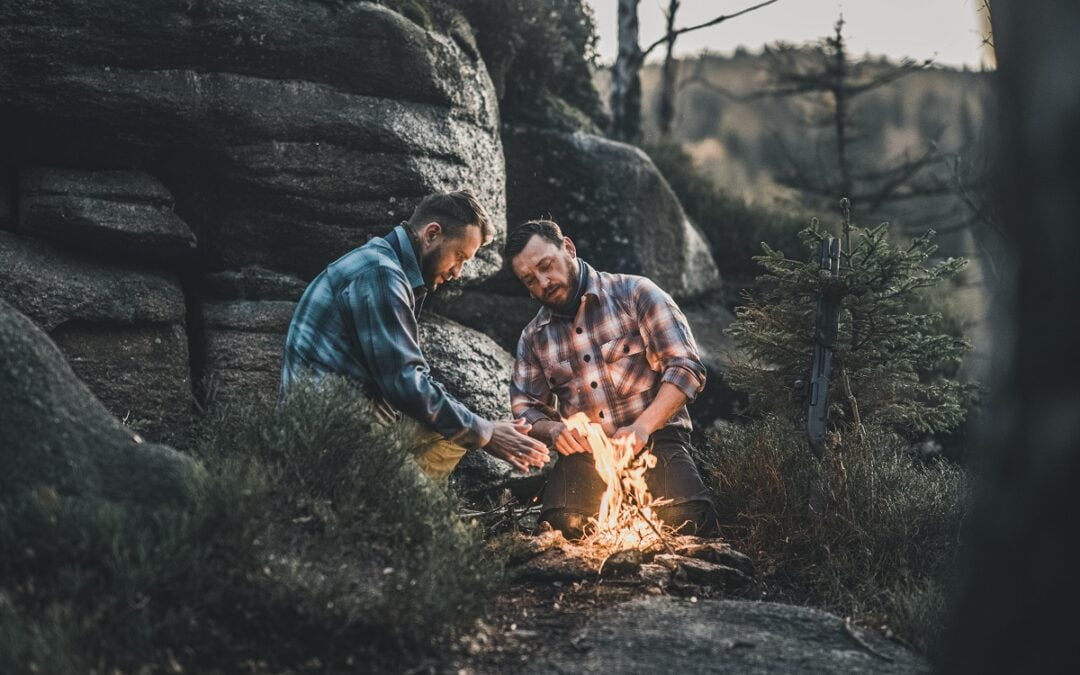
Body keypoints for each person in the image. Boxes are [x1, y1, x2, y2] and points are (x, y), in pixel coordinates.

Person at [280, 190, 549, 479]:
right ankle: (396, 510)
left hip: (349, 422)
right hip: (328, 437)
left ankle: (401, 503)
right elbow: (405, 382)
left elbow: (409, 379)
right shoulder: (381, 274)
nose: (458, 272)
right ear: (431, 234)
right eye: (459, 256)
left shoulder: (385, 265)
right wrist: (486, 433)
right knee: (441, 504)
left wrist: (484, 428)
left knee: (456, 435)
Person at [506, 219, 717, 538]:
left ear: (569, 248)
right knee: (563, 527)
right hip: (585, 456)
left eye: (546, 266)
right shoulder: (533, 338)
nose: (543, 282)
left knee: (687, 521)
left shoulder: (636, 293)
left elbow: (686, 367)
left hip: (655, 439)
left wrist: (643, 427)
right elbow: (525, 411)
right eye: (529, 280)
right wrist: (555, 431)